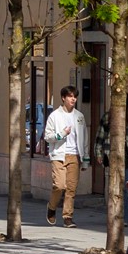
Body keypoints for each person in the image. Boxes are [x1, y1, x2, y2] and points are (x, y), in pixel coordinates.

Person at [43, 85, 84, 227]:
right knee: (59, 185)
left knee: (71, 188)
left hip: (74, 155)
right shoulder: (54, 116)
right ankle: (52, 207)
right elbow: (47, 136)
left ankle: (67, 217)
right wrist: (61, 134)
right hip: (59, 155)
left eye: (75, 96)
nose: (73, 99)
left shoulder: (79, 116)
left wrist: (84, 157)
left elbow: (83, 137)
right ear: (63, 98)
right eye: (70, 96)